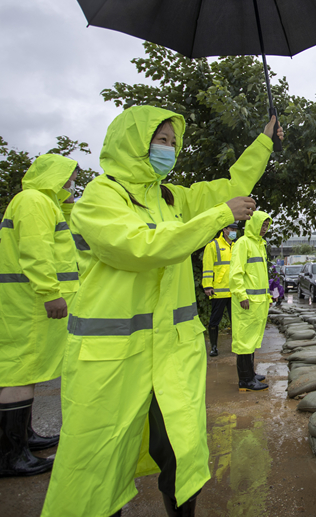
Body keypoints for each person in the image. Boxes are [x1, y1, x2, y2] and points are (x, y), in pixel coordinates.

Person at [41, 105, 281, 517]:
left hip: (171, 354)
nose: (169, 149)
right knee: (98, 464)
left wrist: (265, 141)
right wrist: (219, 216)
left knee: (181, 452)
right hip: (112, 360)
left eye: (172, 141)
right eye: (161, 140)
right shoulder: (101, 196)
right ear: (132, 143)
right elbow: (141, 247)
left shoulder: (171, 197)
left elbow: (232, 184)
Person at [0, 154, 79, 477]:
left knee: (29, 370)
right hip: (30, 302)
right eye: (69, 178)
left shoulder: (43, 202)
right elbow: (36, 250)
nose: (71, 184)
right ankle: (11, 456)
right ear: (54, 175)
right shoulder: (34, 200)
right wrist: (51, 292)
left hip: (27, 302)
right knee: (20, 373)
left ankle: (25, 437)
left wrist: (67, 206)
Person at [230, 210, 273, 392]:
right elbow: (236, 273)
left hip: (258, 302)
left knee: (252, 339)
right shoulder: (243, 243)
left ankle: (250, 374)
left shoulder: (259, 244)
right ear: (254, 223)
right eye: (262, 224)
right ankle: (245, 380)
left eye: (266, 225)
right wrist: (241, 295)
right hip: (247, 302)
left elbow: (260, 276)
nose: (264, 228)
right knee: (244, 340)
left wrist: (267, 297)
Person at [202, 222, 240, 356]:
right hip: (219, 290)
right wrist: (208, 285)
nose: (234, 231)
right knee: (214, 320)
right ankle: (213, 347)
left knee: (236, 320)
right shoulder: (213, 245)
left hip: (234, 290)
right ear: (224, 229)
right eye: (232, 229)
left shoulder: (237, 245)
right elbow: (207, 267)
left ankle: (238, 345)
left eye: (236, 229)